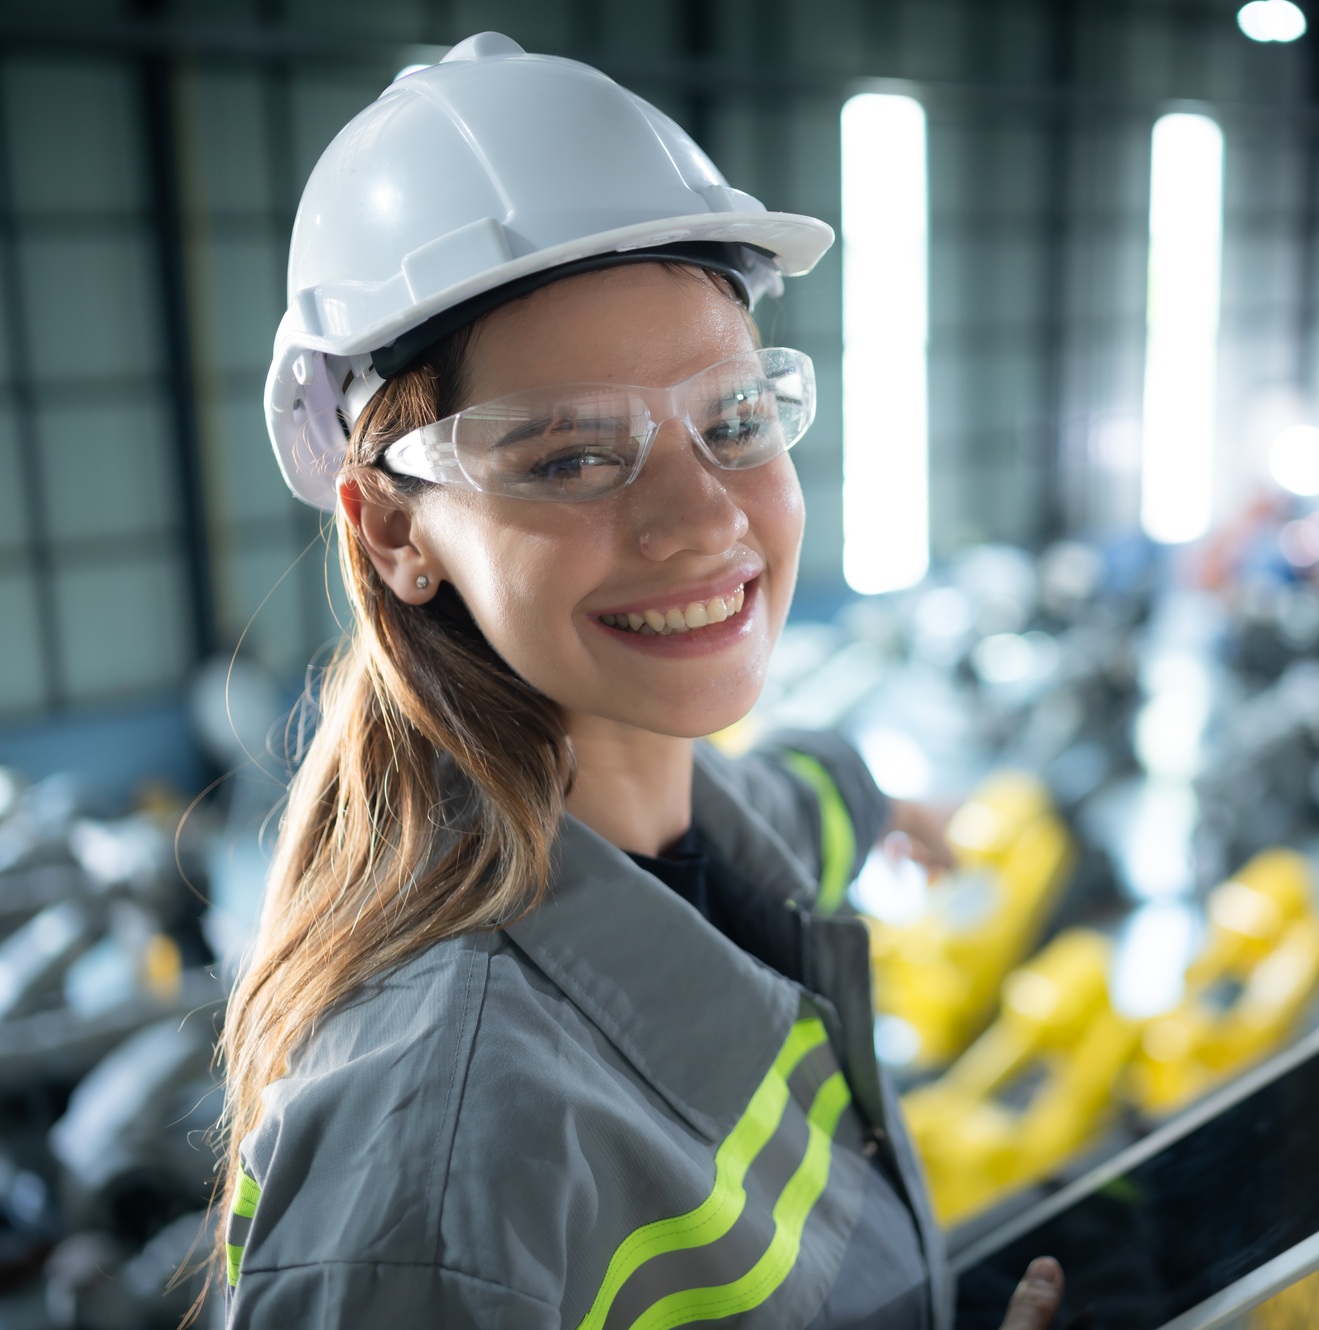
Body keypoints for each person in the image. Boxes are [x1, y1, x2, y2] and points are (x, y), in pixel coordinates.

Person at [219, 32, 1061, 1329]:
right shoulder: (441, 1169)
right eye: (567, 456)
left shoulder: (720, 830)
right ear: (393, 531)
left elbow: (815, 792)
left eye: (733, 420)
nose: (702, 520)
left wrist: (902, 810)